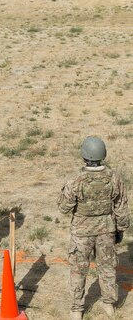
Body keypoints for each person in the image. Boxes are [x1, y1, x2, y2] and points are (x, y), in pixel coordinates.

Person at [58, 136, 130, 320]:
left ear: (84, 156)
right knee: (107, 268)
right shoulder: (114, 177)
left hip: (81, 233)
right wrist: (121, 229)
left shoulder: (76, 179)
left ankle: (77, 309)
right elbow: (121, 206)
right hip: (106, 230)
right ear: (103, 154)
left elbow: (64, 207)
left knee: (78, 270)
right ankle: (109, 305)